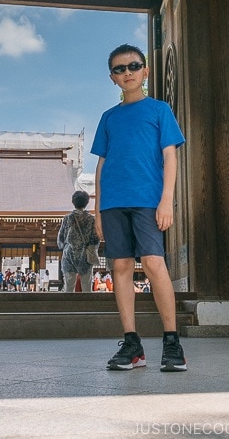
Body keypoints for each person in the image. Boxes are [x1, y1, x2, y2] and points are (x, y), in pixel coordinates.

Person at [91, 44, 187, 373]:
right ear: (112, 78)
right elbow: (102, 165)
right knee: (119, 267)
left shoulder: (160, 110)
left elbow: (170, 157)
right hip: (113, 202)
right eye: (120, 69)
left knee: (153, 263)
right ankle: (132, 344)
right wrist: (97, 209)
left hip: (148, 198)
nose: (127, 72)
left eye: (134, 65)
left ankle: (172, 341)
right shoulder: (108, 118)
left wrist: (166, 199)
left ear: (145, 71)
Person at [57, 189, 99, 292]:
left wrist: (64, 245)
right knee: (86, 287)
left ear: (73, 202)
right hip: (85, 255)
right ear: (87, 202)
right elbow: (96, 238)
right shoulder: (91, 219)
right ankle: (86, 307)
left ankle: (68, 307)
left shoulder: (67, 218)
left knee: (69, 287)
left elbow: (61, 237)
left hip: (69, 254)